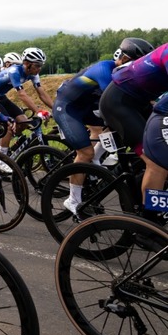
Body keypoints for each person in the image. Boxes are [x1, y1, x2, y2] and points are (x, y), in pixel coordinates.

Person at [55, 38, 153, 214]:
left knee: (109, 130)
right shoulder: (104, 70)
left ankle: (95, 161)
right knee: (85, 152)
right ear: (123, 59)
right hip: (67, 108)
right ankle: (73, 199)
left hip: (87, 108)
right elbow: (116, 100)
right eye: (135, 64)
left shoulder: (124, 72)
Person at [100, 42, 168, 216]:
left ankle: (140, 190)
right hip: (119, 103)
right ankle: (149, 220)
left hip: (138, 102)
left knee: (153, 157)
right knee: (158, 164)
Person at [0, 47, 55, 156]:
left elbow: (41, 93)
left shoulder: (34, 74)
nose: (39, 69)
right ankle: (2, 159)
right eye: (37, 65)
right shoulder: (14, 71)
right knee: (8, 125)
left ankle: (4, 143)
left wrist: (55, 109)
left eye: (41, 65)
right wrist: (38, 111)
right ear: (26, 63)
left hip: (1, 97)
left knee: (24, 122)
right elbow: (22, 95)